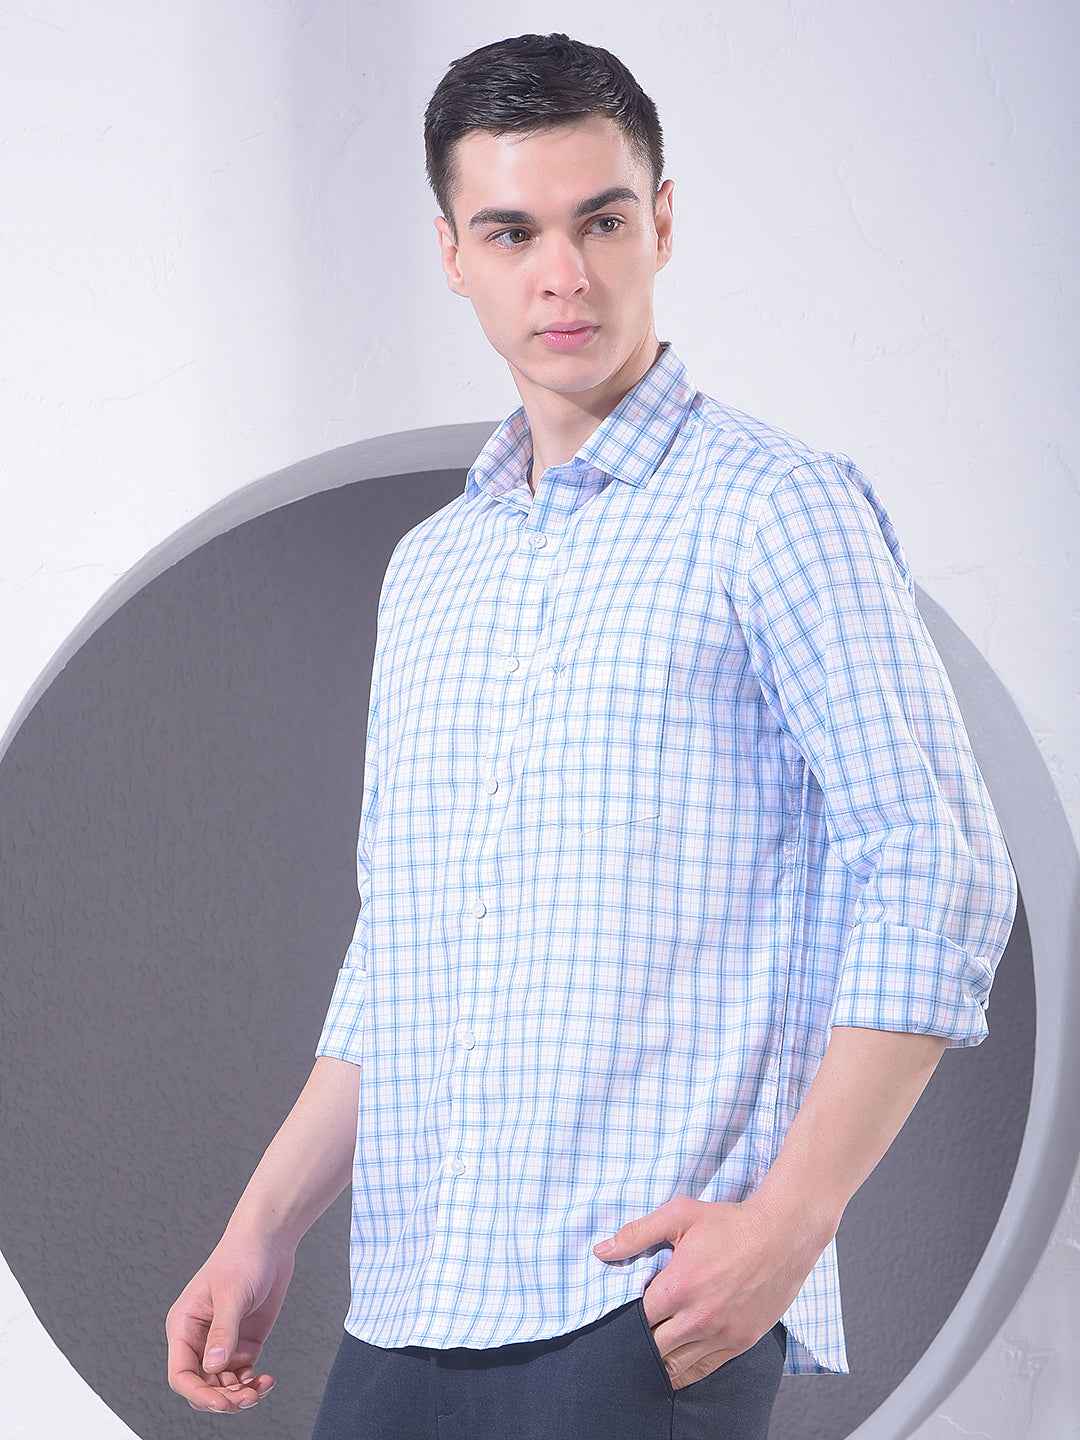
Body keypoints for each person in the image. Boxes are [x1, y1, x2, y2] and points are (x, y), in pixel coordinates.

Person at [164, 31, 1018, 1438]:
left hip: (638, 1307)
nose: (563, 275)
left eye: (601, 221)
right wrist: (261, 1230)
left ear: (661, 223)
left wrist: (790, 1226)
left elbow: (939, 868)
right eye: (513, 232)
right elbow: (404, 951)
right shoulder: (432, 571)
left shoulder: (777, 509)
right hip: (408, 1306)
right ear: (455, 255)